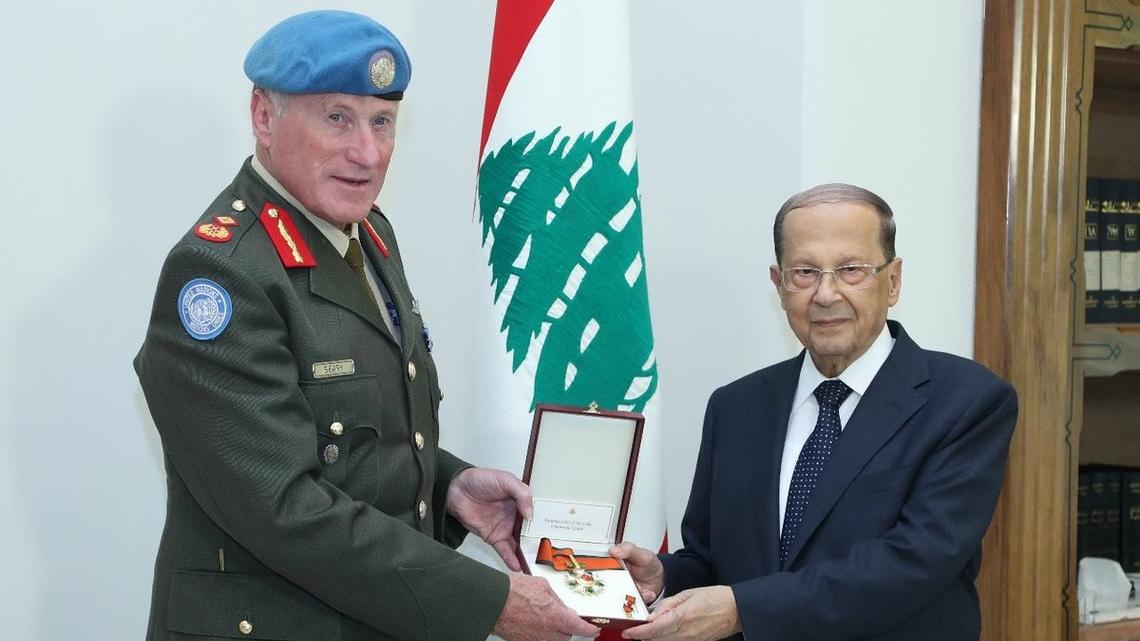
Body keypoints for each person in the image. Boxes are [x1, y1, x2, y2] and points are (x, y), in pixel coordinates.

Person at [134, 10, 598, 641]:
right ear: (264, 118)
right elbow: (285, 508)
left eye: (382, 121)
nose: (368, 153)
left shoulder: (367, 233)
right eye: (337, 118)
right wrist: (488, 602)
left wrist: (449, 485)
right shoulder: (220, 275)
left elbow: (352, 438)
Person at [610, 183, 1018, 641]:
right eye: (804, 272)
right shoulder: (735, 407)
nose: (826, 294)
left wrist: (744, 610)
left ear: (893, 281)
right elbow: (713, 561)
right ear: (778, 284)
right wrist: (665, 577)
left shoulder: (966, 401)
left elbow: (912, 563)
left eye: (851, 270)